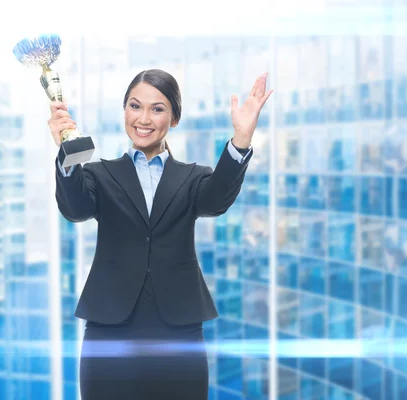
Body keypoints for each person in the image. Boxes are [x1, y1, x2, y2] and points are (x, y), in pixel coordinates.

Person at [49, 69, 272, 400]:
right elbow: (76, 209)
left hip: (179, 331)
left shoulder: (193, 177)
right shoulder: (99, 173)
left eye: (158, 108)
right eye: (135, 106)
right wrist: (67, 150)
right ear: (124, 111)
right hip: (110, 330)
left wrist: (241, 139)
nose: (144, 118)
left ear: (175, 117)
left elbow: (217, 200)